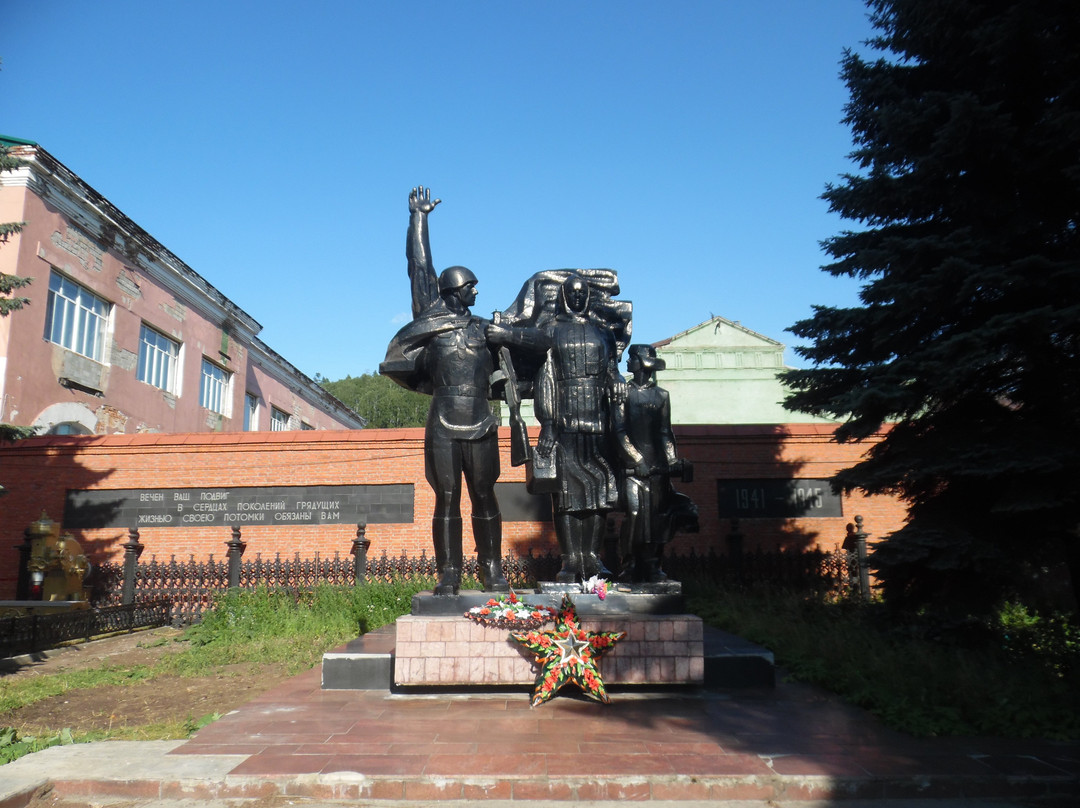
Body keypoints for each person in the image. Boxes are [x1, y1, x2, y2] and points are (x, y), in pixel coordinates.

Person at [380, 187, 508, 596]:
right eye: (470, 286)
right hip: (443, 421)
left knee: (485, 496)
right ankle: (449, 572)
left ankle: (492, 570)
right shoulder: (432, 316)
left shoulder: (486, 329)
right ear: (453, 290)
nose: (476, 292)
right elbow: (419, 267)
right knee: (448, 498)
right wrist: (419, 218)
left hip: (483, 421)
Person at [488, 274, 624, 583]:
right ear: (562, 297)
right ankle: (571, 559)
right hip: (565, 424)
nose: (577, 297)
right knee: (566, 496)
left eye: (582, 293)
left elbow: (612, 370)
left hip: (598, 423)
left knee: (598, 495)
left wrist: (616, 381)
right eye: (571, 292)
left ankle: (593, 557)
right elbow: (544, 376)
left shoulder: (602, 333)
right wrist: (547, 426)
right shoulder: (552, 330)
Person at [612, 344, 697, 583]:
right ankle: (629, 563)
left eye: (631, 359)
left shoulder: (661, 396)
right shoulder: (623, 393)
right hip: (631, 467)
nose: (628, 363)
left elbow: (664, 432)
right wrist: (636, 460)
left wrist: (671, 461)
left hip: (657, 467)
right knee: (636, 513)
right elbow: (618, 431)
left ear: (640, 362)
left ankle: (653, 565)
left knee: (658, 517)